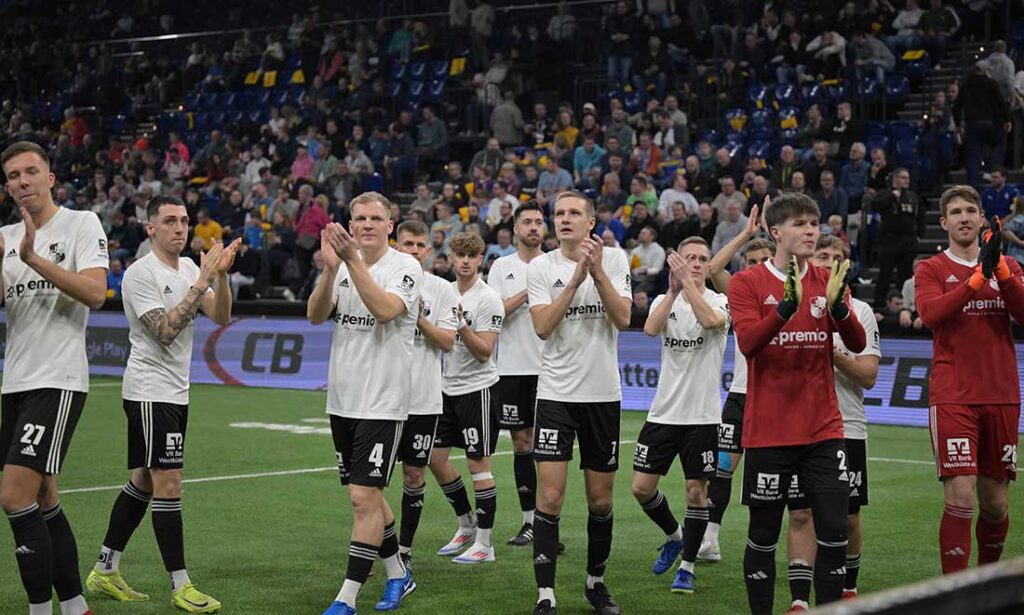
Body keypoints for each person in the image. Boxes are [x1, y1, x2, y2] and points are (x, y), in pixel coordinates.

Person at [87, 195, 239, 612]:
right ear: (150, 228)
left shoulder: (189, 267)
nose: (180, 228)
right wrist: (203, 280)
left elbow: (221, 317)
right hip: (149, 391)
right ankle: (181, 584)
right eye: (170, 221)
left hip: (174, 391)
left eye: (185, 221)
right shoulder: (140, 274)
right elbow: (166, 331)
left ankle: (104, 569)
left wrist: (221, 277)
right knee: (169, 483)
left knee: (144, 480)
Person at [728, 192, 866, 614]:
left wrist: (840, 308)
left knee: (835, 531)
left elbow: (857, 343)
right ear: (776, 232)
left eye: (814, 223)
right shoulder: (747, 283)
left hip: (823, 430)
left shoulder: (828, 279)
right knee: (764, 533)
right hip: (769, 431)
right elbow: (749, 343)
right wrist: (786, 307)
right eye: (800, 224)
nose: (811, 231)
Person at [0, 142, 108, 615]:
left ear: (50, 178)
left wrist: (33, 258)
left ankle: (39, 609)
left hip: (57, 380)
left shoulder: (81, 223)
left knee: (13, 495)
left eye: (30, 171)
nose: (21, 181)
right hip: (15, 381)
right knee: (43, 496)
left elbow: (97, 293)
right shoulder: (4, 236)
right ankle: (75, 606)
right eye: (12, 176)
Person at [308, 192, 423, 615]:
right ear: (351, 224)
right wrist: (329, 270)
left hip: (383, 402)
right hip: (343, 401)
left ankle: (347, 597)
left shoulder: (406, 267)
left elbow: (386, 309)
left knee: (362, 496)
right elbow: (315, 315)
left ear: (390, 225)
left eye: (376, 218)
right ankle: (397, 574)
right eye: (360, 219)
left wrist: (349, 262)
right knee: (368, 497)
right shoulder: (341, 265)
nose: (367, 225)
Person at [527, 190, 631, 615]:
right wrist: (574, 280)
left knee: (600, 501)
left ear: (591, 222)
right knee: (550, 498)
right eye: (559, 213)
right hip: (556, 394)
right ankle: (545, 594)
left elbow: (623, 318)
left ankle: (595, 583)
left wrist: (597, 271)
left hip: (602, 396)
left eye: (574, 213)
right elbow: (542, 327)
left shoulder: (616, 260)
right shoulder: (541, 267)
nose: (564, 219)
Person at [915, 186, 1024, 575]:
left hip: (1002, 393)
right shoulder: (930, 268)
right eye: (956, 212)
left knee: (995, 503)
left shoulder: (1008, 266)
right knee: (961, 496)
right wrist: (977, 279)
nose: (964, 217)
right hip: (953, 395)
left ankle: (983, 584)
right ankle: (954, 593)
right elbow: (931, 314)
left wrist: (1003, 275)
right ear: (944, 222)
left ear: (982, 219)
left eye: (970, 211)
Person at [783, 236, 881, 610]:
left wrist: (835, 354)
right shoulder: (792, 301)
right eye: (822, 256)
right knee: (800, 513)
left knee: (849, 518)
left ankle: (849, 588)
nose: (828, 263)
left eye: (836, 258)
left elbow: (868, 376)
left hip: (847, 425)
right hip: (799, 424)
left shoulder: (860, 310)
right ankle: (799, 600)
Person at [632, 237, 730, 594]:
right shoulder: (666, 298)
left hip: (702, 417)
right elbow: (649, 329)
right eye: (690, 257)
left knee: (695, 493)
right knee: (641, 488)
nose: (696, 263)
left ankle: (687, 567)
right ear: (679, 261)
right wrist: (674, 291)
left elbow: (710, 321)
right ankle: (675, 537)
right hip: (663, 413)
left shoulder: (719, 300)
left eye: (702, 258)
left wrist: (688, 286)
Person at [698, 207, 772, 563]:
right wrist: (745, 234)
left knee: (770, 476)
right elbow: (713, 269)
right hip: (740, 396)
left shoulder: (793, 291)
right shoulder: (741, 294)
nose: (757, 266)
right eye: (751, 261)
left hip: (774, 399)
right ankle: (710, 539)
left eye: (764, 260)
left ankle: (765, 545)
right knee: (722, 467)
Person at [428, 232, 504, 565]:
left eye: (471, 256)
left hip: (479, 389)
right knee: (434, 458)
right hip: (446, 388)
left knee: (478, 464)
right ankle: (466, 524)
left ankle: (485, 544)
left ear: (480, 260)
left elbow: (485, 352)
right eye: (460, 255)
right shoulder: (444, 291)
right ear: (451, 257)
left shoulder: (489, 299)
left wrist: (460, 324)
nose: (465, 261)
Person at [391, 221, 459, 566]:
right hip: (383, 399)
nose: (414, 250)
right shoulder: (382, 281)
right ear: (397, 246)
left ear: (429, 251)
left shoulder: (442, 289)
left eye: (420, 245)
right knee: (371, 483)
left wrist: (419, 319)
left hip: (423, 400)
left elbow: (448, 342)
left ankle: (404, 550)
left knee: (414, 475)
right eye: (408, 244)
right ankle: (374, 546)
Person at [487, 203, 546, 545]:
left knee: (547, 448)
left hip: (550, 368)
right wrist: (529, 291)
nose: (534, 227)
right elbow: (493, 312)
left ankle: (547, 523)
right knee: (522, 442)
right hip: (512, 368)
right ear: (516, 229)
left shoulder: (555, 263)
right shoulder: (502, 266)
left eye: (538, 222)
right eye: (527, 222)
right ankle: (529, 521)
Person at [871, 168, 925, 309]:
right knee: (885, 275)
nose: (907, 180)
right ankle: (879, 306)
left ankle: (904, 306)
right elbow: (875, 205)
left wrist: (919, 235)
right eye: (903, 178)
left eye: (908, 178)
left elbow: (921, 216)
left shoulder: (912, 196)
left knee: (905, 276)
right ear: (895, 179)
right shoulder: (885, 193)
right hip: (890, 240)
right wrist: (891, 197)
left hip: (908, 240)